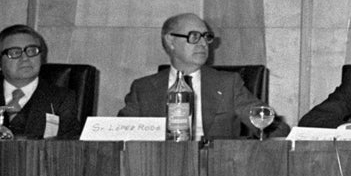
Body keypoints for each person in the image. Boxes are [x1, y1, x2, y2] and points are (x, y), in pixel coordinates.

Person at [118, 12, 288, 138]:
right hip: (160, 170)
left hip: (215, 171)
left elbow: (274, 128)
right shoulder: (143, 88)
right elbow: (118, 132)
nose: (202, 44)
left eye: (206, 37)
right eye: (194, 37)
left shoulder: (227, 84)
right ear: (170, 41)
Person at [0, 24, 83, 139]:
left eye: (32, 51)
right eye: (15, 52)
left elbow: (70, 148)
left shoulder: (61, 100)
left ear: (42, 57)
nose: (25, 58)